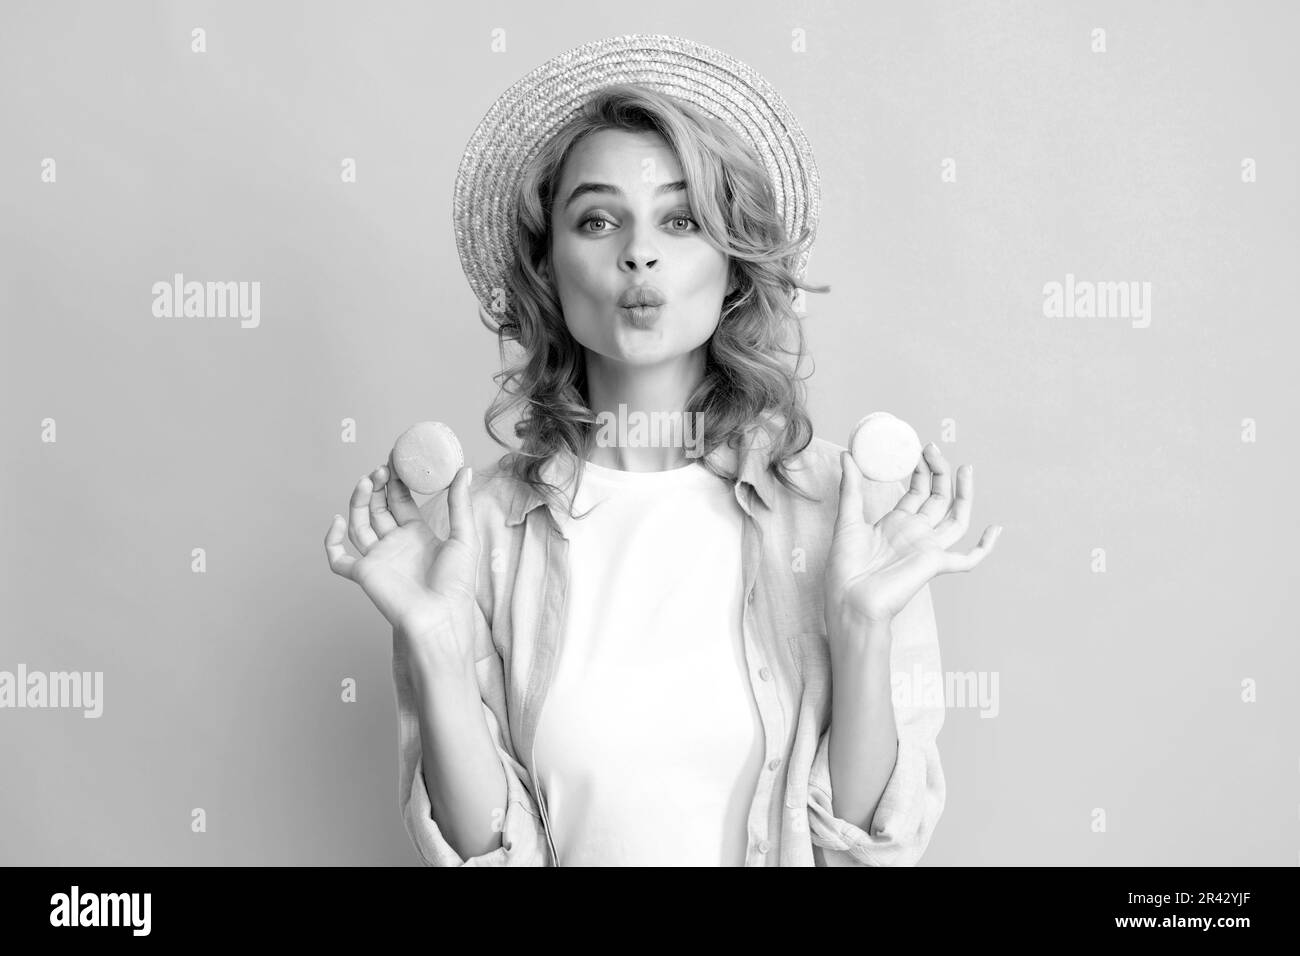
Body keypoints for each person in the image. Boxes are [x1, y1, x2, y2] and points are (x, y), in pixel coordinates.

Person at [323, 35, 1001, 866]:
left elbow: (858, 858)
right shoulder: (478, 535)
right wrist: (432, 644)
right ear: (547, 268)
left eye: (680, 220)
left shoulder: (845, 508)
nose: (638, 253)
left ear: (732, 262)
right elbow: (488, 856)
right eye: (598, 219)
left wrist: (861, 624)